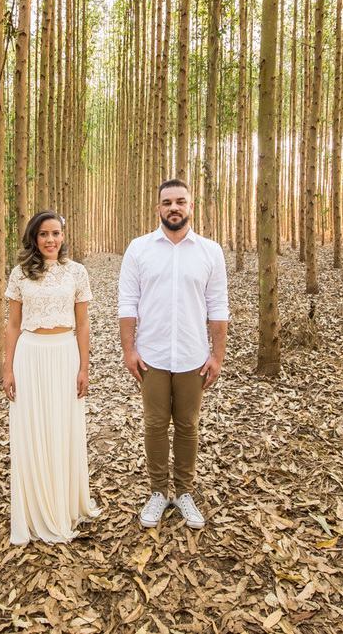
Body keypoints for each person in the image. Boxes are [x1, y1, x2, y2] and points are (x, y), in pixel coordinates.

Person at [118, 178, 228, 530]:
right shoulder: (138, 249)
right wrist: (128, 349)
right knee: (153, 424)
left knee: (188, 425)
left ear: (191, 206)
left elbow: (218, 305)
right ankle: (157, 491)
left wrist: (218, 355)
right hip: (151, 354)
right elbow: (127, 302)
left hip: (193, 355)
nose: (174, 208)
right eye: (167, 203)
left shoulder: (211, 252)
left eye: (181, 201)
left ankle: (183, 491)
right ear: (158, 208)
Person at [3, 210, 101, 545]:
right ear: (34, 237)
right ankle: (35, 512)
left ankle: (65, 504)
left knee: (63, 427)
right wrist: (8, 368)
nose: (50, 240)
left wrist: (84, 367)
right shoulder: (20, 274)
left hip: (65, 354)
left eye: (56, 233)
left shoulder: (77, 272)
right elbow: (13, 324)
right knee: (34, 428)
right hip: (30, 355)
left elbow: (84, 324)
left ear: (63, 236)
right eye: (44, 234)